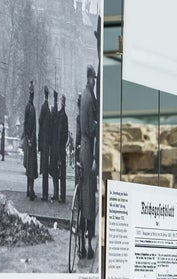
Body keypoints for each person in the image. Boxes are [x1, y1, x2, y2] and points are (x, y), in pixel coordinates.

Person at [78, 65, 99, 259]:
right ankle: (87, 245)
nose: (95, 81)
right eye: (94, 78)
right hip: (89, 149)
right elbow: (91, 129)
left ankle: (82, 245)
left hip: (82, 149)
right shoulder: (89, 97)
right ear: (91, 78)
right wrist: (97, 125)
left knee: (83, 198)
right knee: (89, 201)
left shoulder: (84, 96)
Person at [22, 82, 38, 200]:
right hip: (31, 142)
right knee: (31, 167)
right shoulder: (30, 107)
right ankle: (30, 190)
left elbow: (25, 124)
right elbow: (30, 126)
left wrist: (27, 139)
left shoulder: (28, 107)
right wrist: (31, 139)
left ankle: (28, 189)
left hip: (28, 141)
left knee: (29, 167)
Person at [56, 92, 70, 203]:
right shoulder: (62, 116)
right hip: (60, 146)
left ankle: (62, 195)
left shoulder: (63, 117)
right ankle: (61, 194)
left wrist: (62, 144)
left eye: (62, 102)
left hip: (60, 147)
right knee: (61, 171)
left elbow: (63, 134)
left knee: (62, 172)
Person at [39, 86, 52, 202]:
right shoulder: (47, 109)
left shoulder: (44, 108)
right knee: (45, 170)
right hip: (47, 143)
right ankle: (45, 193)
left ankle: (44, 194)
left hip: (44, 143)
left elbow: (40, 123)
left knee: (44, 169)